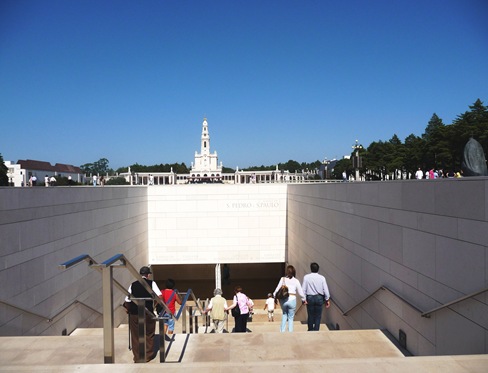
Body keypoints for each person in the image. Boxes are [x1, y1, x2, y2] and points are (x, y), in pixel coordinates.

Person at [124, 266, 162, 363]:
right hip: (147, 312)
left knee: (136, 335)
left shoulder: (133, 284)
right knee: (149, 333)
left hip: (134, 313)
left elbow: (127, 300)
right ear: (148, 275)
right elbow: (160, 296)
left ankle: (137, 357)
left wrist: (128, 309)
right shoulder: (151, 283)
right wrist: (154, 304)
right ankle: (147, 356)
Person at [273, 265, 306, 332]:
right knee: (291, 317)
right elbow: (300, 292)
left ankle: (282, 330)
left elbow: (276, 290)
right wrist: (303, 299)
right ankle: (290, 331)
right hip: (292, 299)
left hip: (283, 300)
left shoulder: (283, 279)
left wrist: (274, 297)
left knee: (284, 314)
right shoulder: (296, 281)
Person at [302, 262, 331, 331]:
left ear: (311, 268)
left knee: (310, 315)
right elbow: (325, 290)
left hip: (310, 298)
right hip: (319, 298)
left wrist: (303, 299)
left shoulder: (306, 277)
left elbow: (303, 289)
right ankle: (316, 330)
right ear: (318, 269)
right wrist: (327, 299)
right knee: (318, 316)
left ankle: (310, 329)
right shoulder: (322, 278)